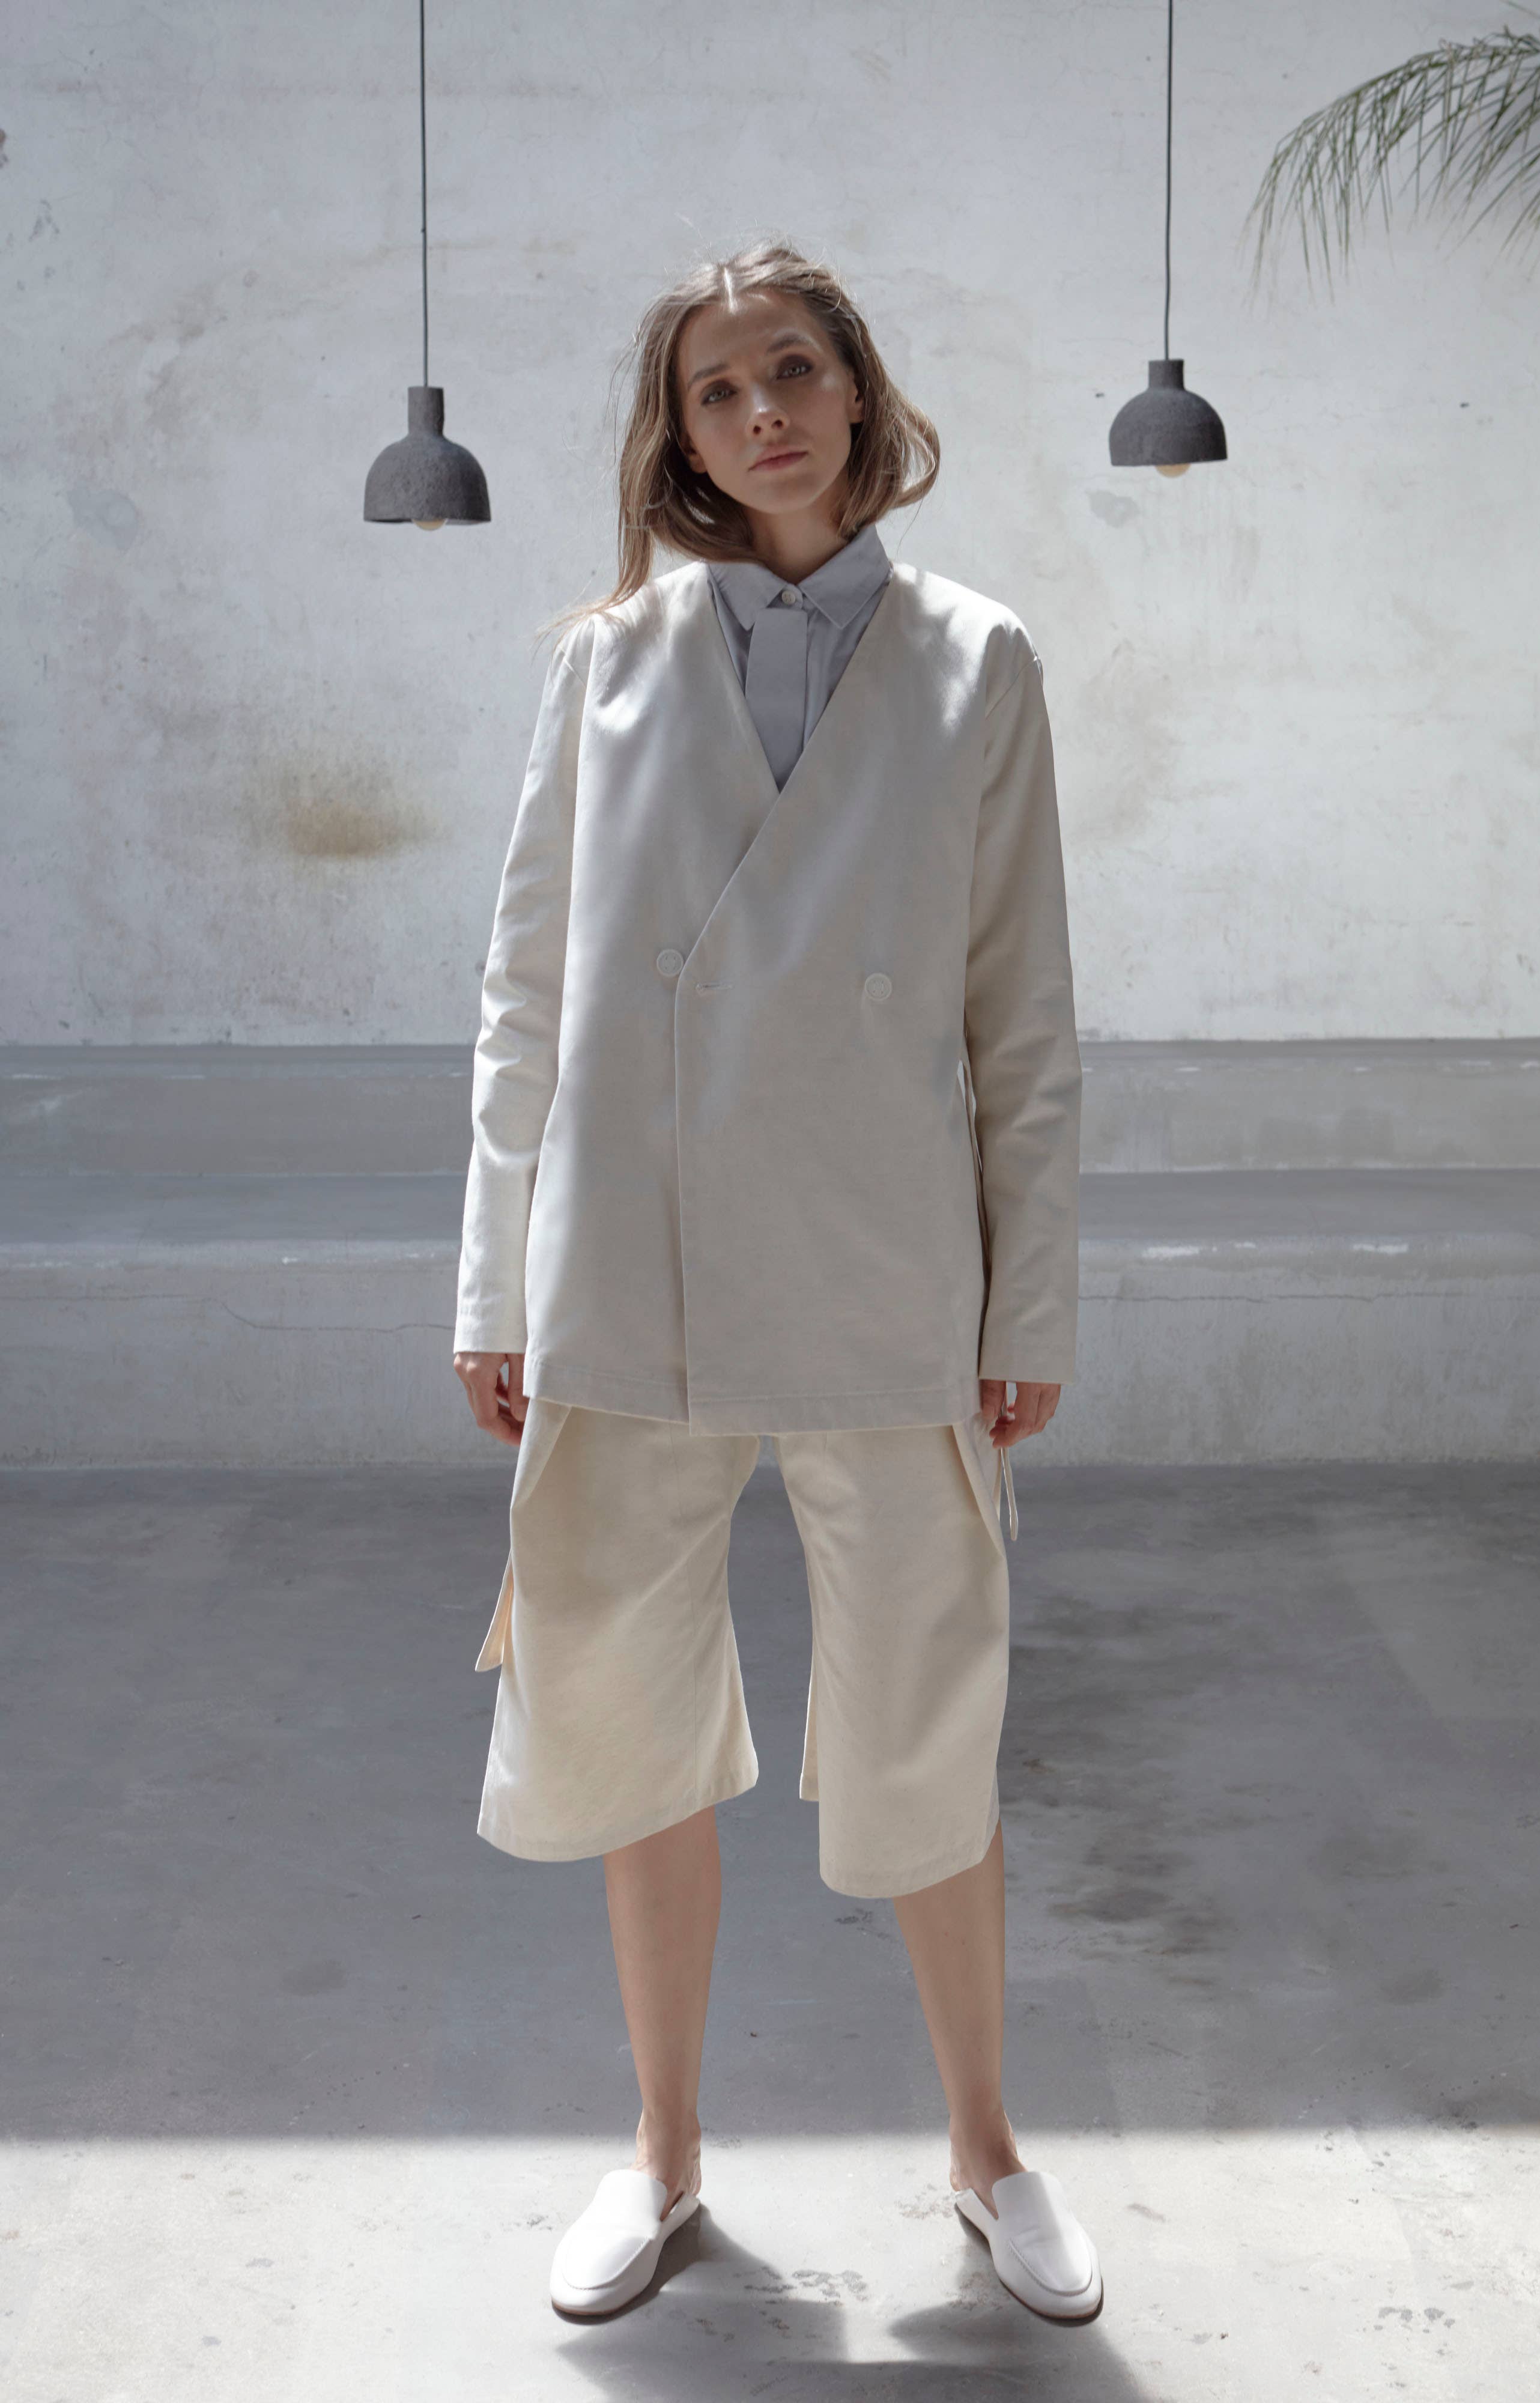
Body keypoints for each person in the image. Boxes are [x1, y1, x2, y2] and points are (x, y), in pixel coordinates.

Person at [451, 238, 1099, 2325]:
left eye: (793, 371)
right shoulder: (604, 661)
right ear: (681, 436)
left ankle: (987, 2154)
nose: (762, 416)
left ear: (858, 389)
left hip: (883, 1266)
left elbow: (1022, 1019)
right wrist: (491, 1288)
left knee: (926, 1716)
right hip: (626, 1275)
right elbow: (525, 992)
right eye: (718, 392)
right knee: (626, 1720)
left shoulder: (978, 659)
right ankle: (661, 2157)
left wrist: (1025, 1306)